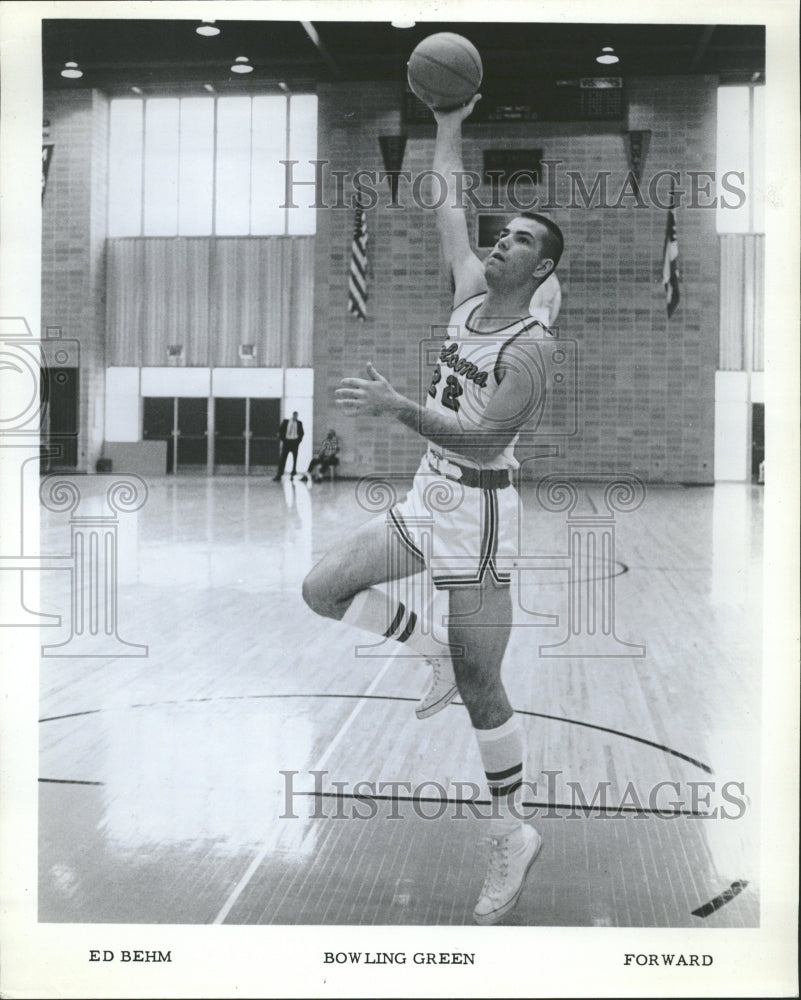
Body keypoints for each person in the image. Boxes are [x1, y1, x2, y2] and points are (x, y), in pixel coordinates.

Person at [302, 93, 564, 925]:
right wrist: (448, 125)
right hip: (427, 495)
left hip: (481, 514)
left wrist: (397, 405)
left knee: (481, 683)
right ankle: (425, 646)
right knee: (321, 587)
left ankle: (508, 831)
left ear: (542, 270)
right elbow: (448, 199)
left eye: (522, 239)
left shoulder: (531, 347)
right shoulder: (466, 292)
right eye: (504, 230)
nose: (501, 239)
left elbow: (486, 444)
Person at [273, 411, 304, 480]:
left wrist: (298, 441)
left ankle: (293, 473)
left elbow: (301, 433)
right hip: (287, 442)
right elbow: (281, 431)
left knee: (294, 459)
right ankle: (279, 474)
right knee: (283, 458)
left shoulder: (299, 423)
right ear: (293, 415)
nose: (295, 417)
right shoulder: (286, 422)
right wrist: (283, 439)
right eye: (295, 416)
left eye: (297, 416)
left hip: (294, 442)